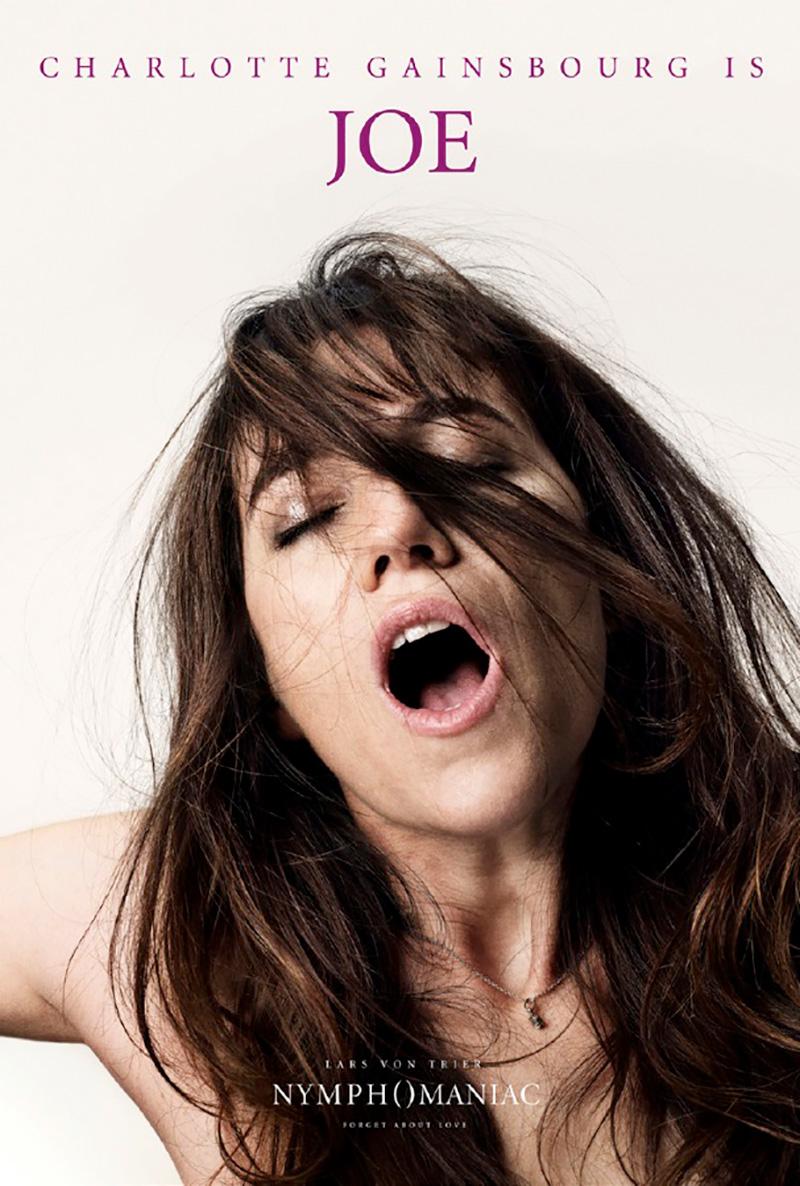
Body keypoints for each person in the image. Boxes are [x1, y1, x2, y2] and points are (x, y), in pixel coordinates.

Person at [1, 231, 799, 1186]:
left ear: (611, 575)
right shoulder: (150, 928)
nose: (400, 525)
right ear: (268, 688)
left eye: (466, 462)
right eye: (305, 517)